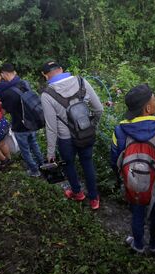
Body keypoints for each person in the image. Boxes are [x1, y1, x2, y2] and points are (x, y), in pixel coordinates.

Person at [110, 84, 155, 254]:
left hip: (132, 183)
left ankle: (138, 244)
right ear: (148, 108)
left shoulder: (119, 131)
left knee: (137, 213)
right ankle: (154, 245)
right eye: (154, 98)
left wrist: (123, 179)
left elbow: (114, 160)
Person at [40, 61, 104, 210]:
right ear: (61, 69)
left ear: (45, 75)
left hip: (66, 139)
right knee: (87, 163)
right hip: (85, 133)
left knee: (69, 164)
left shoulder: (47, 95)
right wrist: (91, 126)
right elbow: (99, 109)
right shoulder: (82, 82)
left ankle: (77, 193)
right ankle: (94, 199)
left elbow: (51, 127)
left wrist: (50, 153)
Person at [0, 63, 44, 177]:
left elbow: (4, 111)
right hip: (32, 122)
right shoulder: (24, 83)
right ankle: (42, 164)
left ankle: (34, 171)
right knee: (34, 145)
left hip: (20, 126)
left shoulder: (7, 93)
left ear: (4, 73)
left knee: (25, 150)